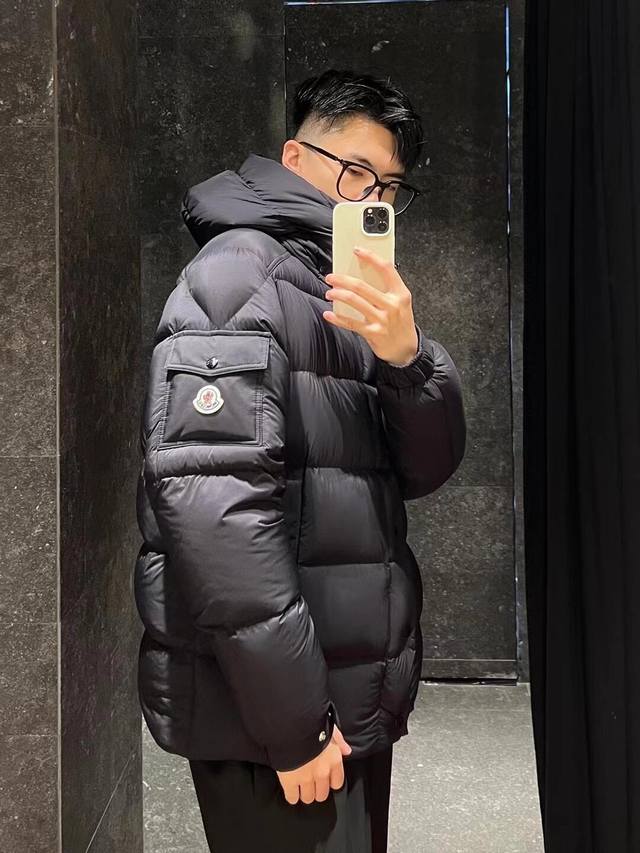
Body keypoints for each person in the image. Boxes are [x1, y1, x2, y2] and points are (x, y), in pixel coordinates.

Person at [134, 67, 466, 852]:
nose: (369, 198)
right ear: (294, 156)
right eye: (354, 171)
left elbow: (423, 471)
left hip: (338, 697)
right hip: (273, 720)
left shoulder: (336, 289)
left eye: (389, 187)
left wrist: (408, 358)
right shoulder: (237, 276)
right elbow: (215, 514)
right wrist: (294, 723)